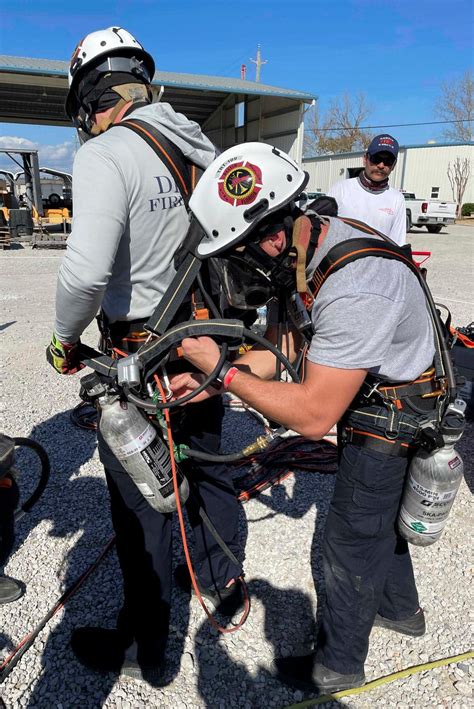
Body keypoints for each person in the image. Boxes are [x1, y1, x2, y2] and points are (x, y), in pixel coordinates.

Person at [169, 141, 441, 694]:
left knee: (349, 536)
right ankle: (401, 609)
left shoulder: (356, 281)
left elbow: (315, 414)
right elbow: (281, 354)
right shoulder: (301, 258)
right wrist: (211, 376)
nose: (237, 273)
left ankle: (338, 666)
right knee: (379, 519)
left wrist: (221, 376)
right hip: (375, 387)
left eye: (239, 254)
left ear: (271, 235)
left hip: (395, 408)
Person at [46, 27, 244, 683]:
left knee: (142, 506)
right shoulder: (196, 143)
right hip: (207, 346)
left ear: (90, 98)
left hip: (143, 360)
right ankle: (222, 584)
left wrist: (65, 339)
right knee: (209, 474)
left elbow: (83, 275)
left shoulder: (105, 154)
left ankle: (150, 650)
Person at [328, 134, 407, 245]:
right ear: (365, 159)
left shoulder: (397, 199)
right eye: (376, 159)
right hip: (341, 260)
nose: (381, 165)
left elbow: (398, 244)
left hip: (378, 261)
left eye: (388, 161)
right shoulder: (340, 189)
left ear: (393, 166)